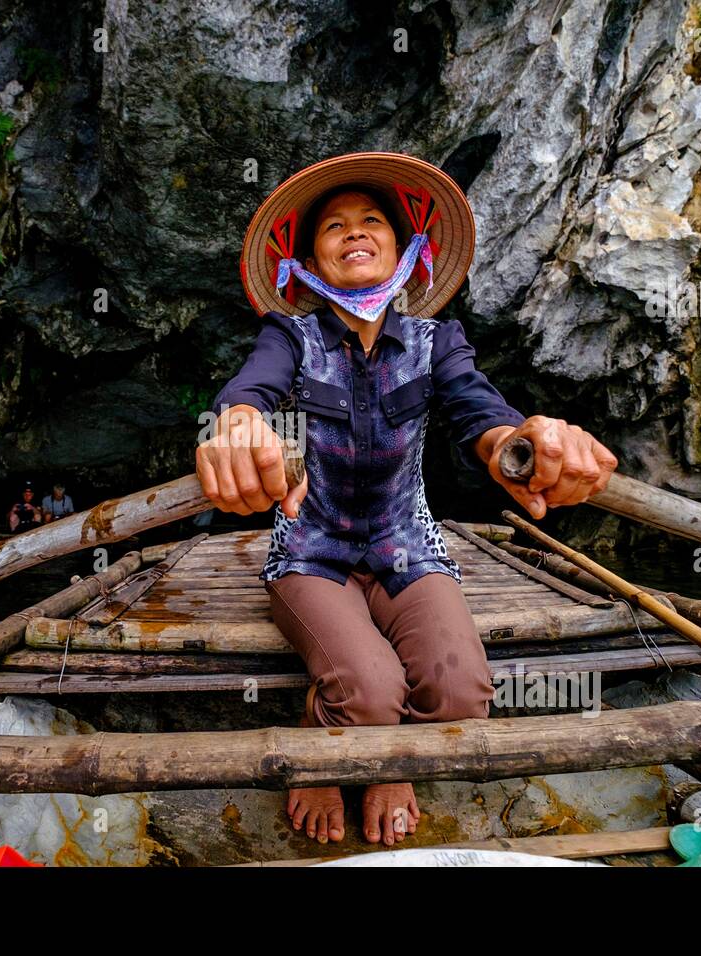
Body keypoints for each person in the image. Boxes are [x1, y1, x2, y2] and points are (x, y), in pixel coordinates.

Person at [196, 152, 618, 848]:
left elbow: (485, 418)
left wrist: (524, 445)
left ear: (403, 247)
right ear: (308, 259)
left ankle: (395, 767)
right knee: (368, 691)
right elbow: (250, 392)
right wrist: (236, 425)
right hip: (312, 552)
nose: (354, 232)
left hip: (406, 547)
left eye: (371, 222)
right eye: (333, 225)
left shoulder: (435, 341)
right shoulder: (290, 337)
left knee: (462, 694)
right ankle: (320, 743)